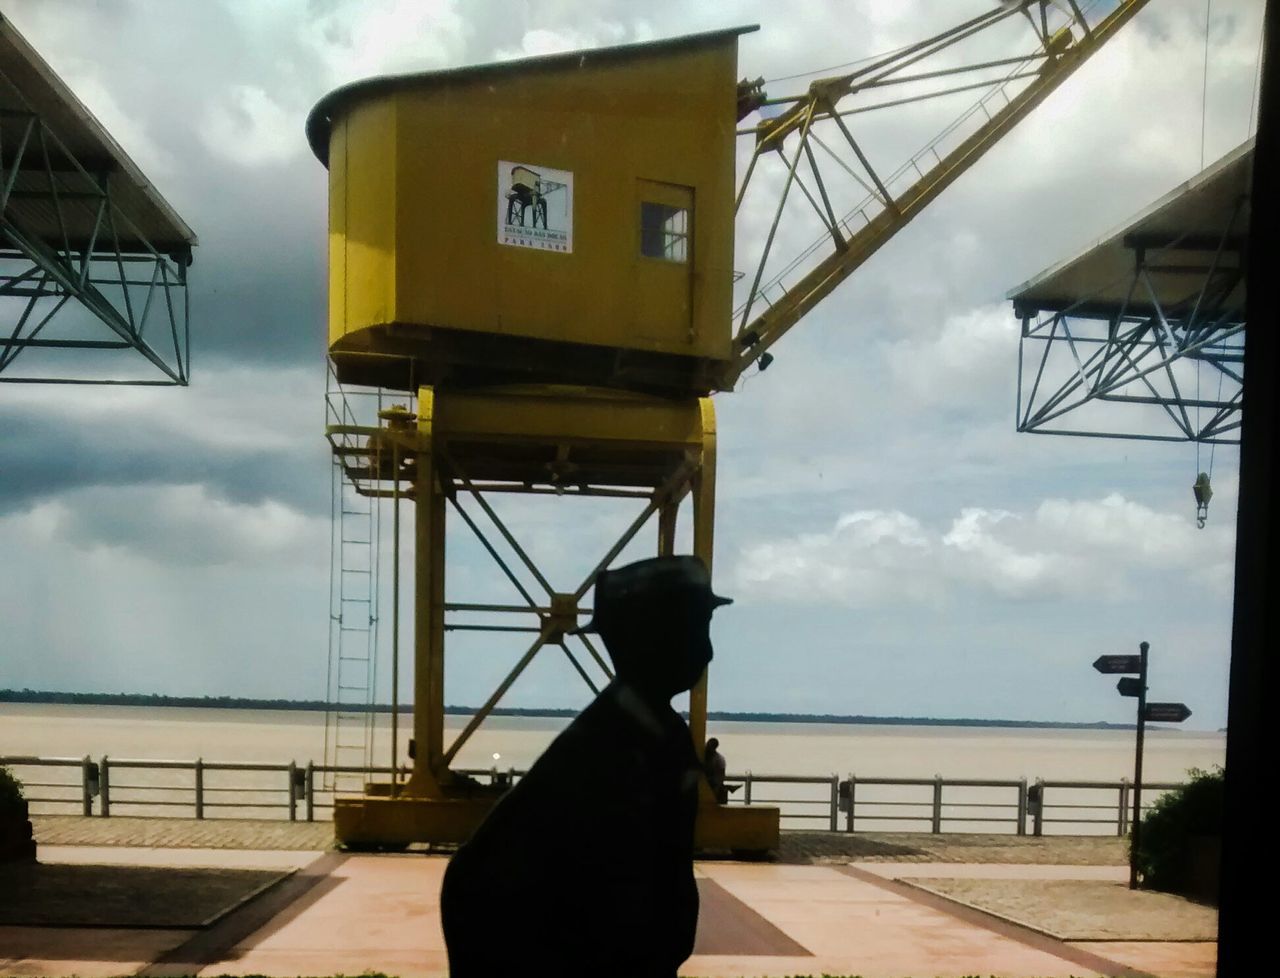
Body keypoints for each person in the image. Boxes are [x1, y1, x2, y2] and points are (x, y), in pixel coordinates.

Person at [440, 555, 732, 977]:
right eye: (691, 630)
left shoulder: (645, 733)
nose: (706, 651)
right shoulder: (625, 743)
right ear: (649, 638)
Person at [704, 737, 728, 804]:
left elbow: (721, 775)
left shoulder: (719, 759)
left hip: (713, 785)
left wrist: (717, 787)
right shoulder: (719, 759)